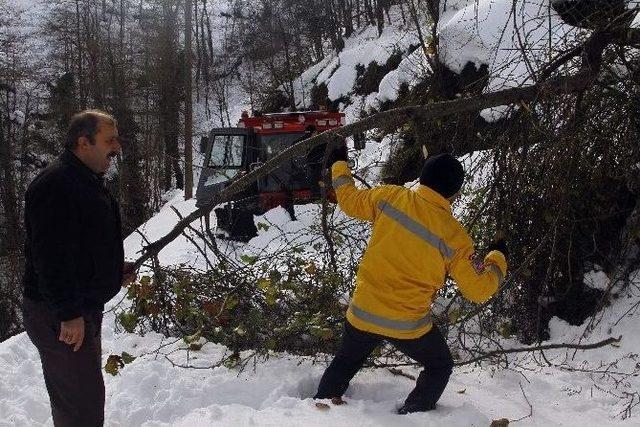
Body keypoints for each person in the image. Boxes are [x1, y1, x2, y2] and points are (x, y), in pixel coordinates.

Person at [314, 147, 508, 414]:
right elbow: (478, 289)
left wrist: (338, 164)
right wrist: (498, 257)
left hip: (363, 311)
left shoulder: (390, 196)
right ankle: (413, 415)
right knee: (440, 365)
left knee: (346, 361)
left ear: (422, 178)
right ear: (455, 193)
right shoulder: (454, 236)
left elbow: (348, 200)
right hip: (407, 324)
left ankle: (316, 407)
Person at [22, 109, 135, 426]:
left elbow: (80, 244)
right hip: (56, 313)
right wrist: (68, 313)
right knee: (80, 407)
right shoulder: (56, 185)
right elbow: (49, 257)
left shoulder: (83, 179)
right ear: (84, 142)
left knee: (81, 398)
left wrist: (112, 270)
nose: (117, 147)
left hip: (74, 306)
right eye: (109, 140)